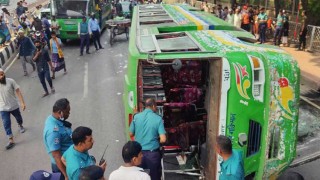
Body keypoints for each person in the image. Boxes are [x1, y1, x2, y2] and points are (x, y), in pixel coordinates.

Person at [129, 98, 166, 180]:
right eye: (155, 107)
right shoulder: (158, 119)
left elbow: (131, 133)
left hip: (138, 155)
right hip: (152, 155)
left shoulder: (136, 117)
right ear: (153, 106)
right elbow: (163, 139)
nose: (156, 108)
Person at [43, 98, 72, 180]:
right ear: (60, 112)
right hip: (63, 166)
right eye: (67, 111)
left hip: (68, 160)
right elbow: (56, 155)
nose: (69, 113)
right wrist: (66, 175)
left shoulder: (54, 118)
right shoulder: (53, 131)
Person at [0, 69, 26, 150]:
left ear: (4, 74)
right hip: (3, 108)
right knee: (6, 123)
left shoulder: (11, 81)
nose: (1, 77)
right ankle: (11, 140)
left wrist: (22, 103)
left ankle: (20, 124)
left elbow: (18, 92)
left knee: (18, 118)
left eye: (2, 74)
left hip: (14, 106)